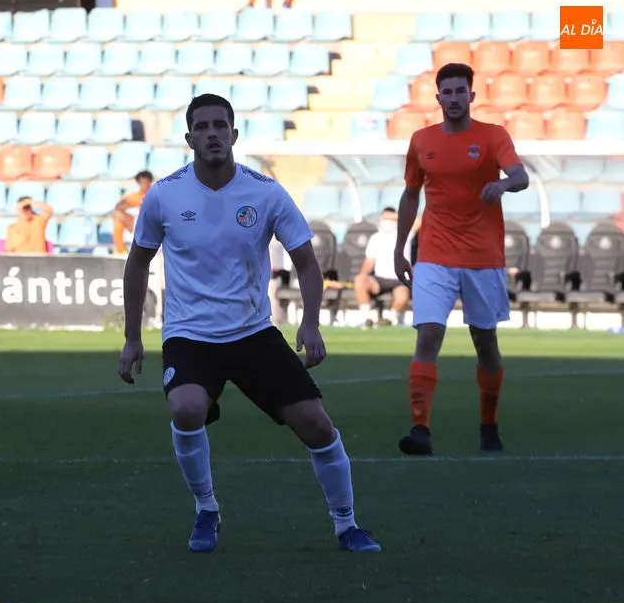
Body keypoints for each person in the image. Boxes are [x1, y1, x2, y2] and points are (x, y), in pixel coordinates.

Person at [117, 94, 381, 555]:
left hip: (253, 333)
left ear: (235, 135)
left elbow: (306, 261)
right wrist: (132, 338)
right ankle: (206, 509)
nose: (213, 133)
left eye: (221, 125)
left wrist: (311, 324)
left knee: (317, 425)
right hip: (190, 335)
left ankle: (347, 524)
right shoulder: (164, 195)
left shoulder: (266, 192)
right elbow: (137, 264)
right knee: (186, 408)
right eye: (203, 127)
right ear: (189, 138)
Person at [393, 63, 529, 456]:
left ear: (472, 95)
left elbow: (521, 176)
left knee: (484, 341)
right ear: (438, 99)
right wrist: (401, 247)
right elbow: (410, 194)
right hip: (434, 253)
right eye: (446, 93)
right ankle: (420, 430)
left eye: (459, 91)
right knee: (429, 335)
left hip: (483, 257)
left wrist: (502, 184)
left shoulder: (492, 136)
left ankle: (489, 426)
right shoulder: (422, 141)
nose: (453, 99)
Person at [351, 207, 412, 328]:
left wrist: (392, 216)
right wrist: (363, 276)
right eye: (384, 219)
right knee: (359, 280)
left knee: (402, 296)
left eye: (389, 219)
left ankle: (389, 319)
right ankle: (366, 318)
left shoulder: (406, 234)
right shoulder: (376, 238)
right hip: (379, 279)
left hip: (400, 280)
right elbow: (369, 262)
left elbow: (417, 221)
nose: (386, 222)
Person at [111, 170, 154, 255]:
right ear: (138, 183)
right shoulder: (133, 197)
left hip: (151, 225)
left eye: (146, 182)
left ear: (150, 182)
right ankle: (120, 251)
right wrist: (134, 206)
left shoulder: (155, 194)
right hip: (136, 223)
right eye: (142, 182)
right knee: (117, 215)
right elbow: (118, 207)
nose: (144, 185)